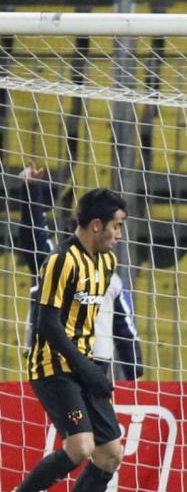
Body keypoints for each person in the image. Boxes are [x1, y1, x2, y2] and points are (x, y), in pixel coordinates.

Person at [0, 188, 129, 492]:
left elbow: (86, 321)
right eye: (116, 226)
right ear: (96, 225)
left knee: (110, 455)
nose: (120, 235)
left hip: (85, 364)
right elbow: (48, 324)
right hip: (52, 365)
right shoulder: (61, 260)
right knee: (81, 446)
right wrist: (87, 370)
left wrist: (95, 367)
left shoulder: (106, 262)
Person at [13, 162, 143, 378]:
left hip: (95, 358)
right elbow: (33, 235)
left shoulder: (110, 274)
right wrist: (31, 190)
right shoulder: (54, 262)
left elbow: (123, 324)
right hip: (53, 358)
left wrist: (134, 369)